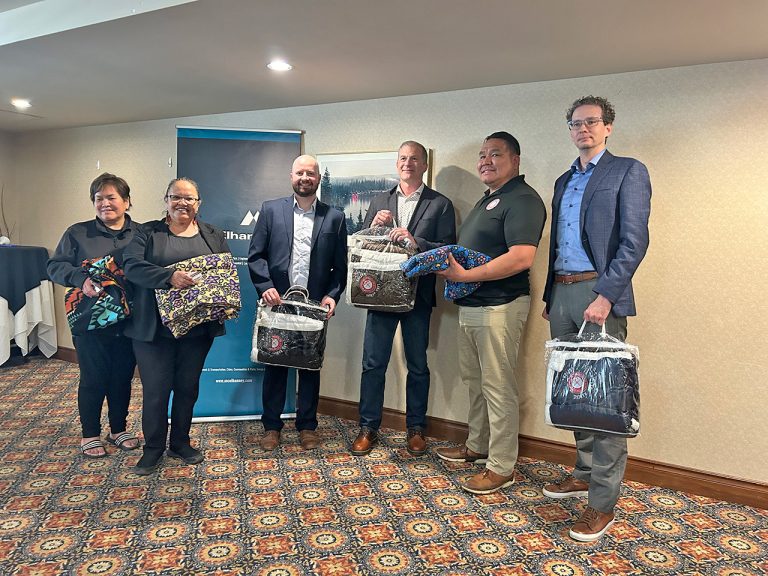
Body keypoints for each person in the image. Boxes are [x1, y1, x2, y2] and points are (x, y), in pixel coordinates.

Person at [541, 96, 651, 542]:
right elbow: (557, 243)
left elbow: (634, 241)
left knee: (605, 404)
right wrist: (551, 295)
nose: (583, 129)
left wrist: (606, 295)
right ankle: (584, 472)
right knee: (573, 393)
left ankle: (602, 505)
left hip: (598, 292)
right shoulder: (564, 179)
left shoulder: (627, 171)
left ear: (608, 127)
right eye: (575, 123)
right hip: (562, 292)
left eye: (591, 121)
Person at [436, 132, 546, 495]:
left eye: (495, 154)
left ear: (515, 160)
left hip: (500, 306)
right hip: (472, 306)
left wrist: (466, 276)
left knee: (498, 387)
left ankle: (501, 466)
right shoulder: (489, 199)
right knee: (476, 382)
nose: (485, 160)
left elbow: (521, 258)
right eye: (482, 155)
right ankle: (477, 445)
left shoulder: (523, 199)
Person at [351, 141, 456, 456]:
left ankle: (416, 429)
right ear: (397, 163)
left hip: (418, 295)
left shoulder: (440, 204)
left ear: (425, 165)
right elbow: (363, 244)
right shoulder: (379, 200)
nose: (407, 163)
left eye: (414, 159)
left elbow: (447, 248)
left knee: (418, 365)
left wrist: (416, 240)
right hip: (380, 294)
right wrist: (373, 226)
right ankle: (368, 427)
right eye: (402, 158)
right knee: (373, 364)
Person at [123, 177, 231, 475]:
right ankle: (153, 448)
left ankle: (180, 443)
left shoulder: (213, 235)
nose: (182, 203)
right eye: (176, 197)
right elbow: (131, 267)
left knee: (187, 388)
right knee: (156, 391)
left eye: (189, 198)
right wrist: (168, 277)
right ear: (166, 200)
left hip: (197, 328)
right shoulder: (146, 233)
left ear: (199, 203)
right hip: (154, 329)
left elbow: (223, 273)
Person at [248, 155, 347, 451]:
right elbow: (256, 256)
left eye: (311, 173)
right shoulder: (270, 210)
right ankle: (271, 426)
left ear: (318, 178)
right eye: (300, 172)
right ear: (291, 176)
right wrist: (265, 286)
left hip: (314, 307)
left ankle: (307, 427)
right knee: (275, 365)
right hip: (278, 303)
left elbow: (340, 268)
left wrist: (332, 295)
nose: (305, 177)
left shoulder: (334, 217)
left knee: (310, 367)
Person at [48, 173, 140, 458]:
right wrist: (81, 279)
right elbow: (55, 266)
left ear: (127, 201)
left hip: (131, 319)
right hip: (89, 319)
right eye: (99, 198)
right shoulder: (77, 233)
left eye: (111, 197)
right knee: (93, 378)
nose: (105, 203)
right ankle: (90, 433)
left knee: (122, 377)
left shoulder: (141, 233)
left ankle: (118, 429)